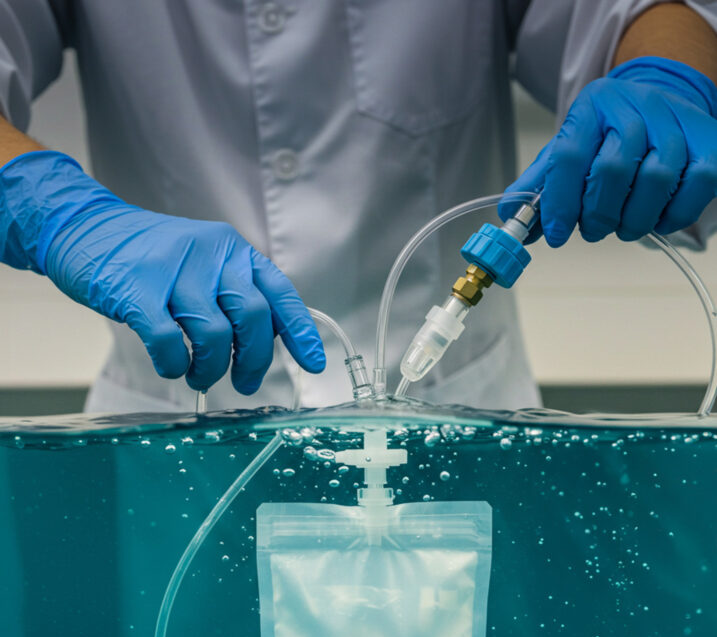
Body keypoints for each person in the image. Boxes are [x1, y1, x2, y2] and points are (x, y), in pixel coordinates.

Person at [0, 0, 715, 413]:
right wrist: (50, 207)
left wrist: (669, 75)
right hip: (178, 428)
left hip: (462, 414)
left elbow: (637, 8)